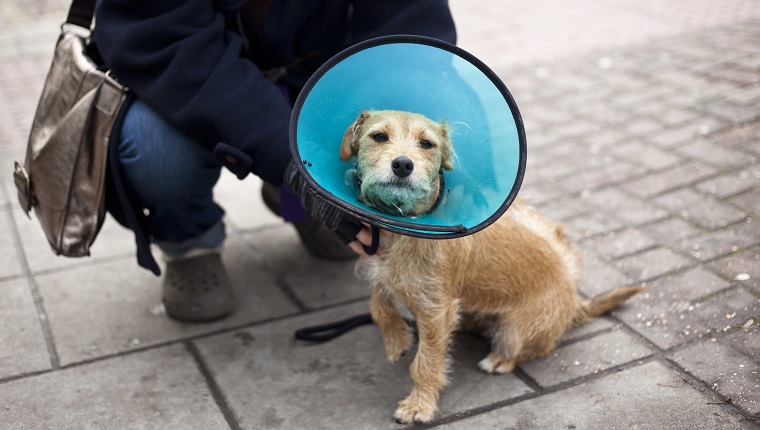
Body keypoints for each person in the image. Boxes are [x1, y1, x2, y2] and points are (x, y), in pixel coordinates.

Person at [91, 0, 457, 322]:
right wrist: (291, 166)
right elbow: (162, 37)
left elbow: (409, 29)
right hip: (192, 79)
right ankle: (189, 237)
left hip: (321, 80)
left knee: (372, 122)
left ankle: (320, 199)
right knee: (154, 150)